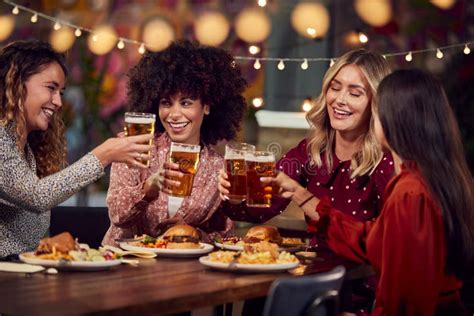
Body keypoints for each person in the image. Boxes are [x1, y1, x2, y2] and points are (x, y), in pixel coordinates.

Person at [272, 69, 474, 315]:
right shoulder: (432, 178)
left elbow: (408, 302)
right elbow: (375, 241)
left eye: (376, 114)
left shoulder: (410, 192)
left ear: (394, 120)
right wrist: (300, 195)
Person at [218, 49, 393, 314]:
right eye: (335, 88)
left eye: (355, 93)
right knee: (260, 296)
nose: (340, 100)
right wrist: (235, 198)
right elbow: (261, 206)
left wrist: (301, 195)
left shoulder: (386, 162)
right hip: (312, 278)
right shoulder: (308, 152)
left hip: (360, 290)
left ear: (376, 103)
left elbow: (385, 245)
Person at [0, 40, 153, 259]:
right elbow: (37, 196)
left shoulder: (26, 150)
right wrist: (105, 153)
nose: (58, 101)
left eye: (60, 92)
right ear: (15, 83)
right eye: (51, 88)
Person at [102, 40, 247, 246]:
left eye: (186, 103)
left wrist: (192, 233)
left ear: (206, 106)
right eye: (166, 103)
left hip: (182, 271)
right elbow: (116, 214)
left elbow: (224, 235)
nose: (174, 114)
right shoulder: (134, 147)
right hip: (125, 263)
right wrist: (148, 188)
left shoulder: (219, 168)